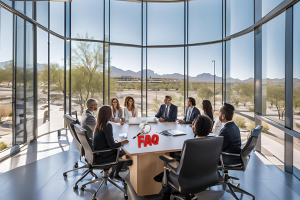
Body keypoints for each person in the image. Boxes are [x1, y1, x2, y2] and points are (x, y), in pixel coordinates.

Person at [159, 115, 213, 200]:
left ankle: (165, 197)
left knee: (167, 169)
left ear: (193, 128)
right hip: (206, 179)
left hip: (187, 179)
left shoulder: (190, 144)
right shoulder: (213, 142)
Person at [93, 105, 130, 180]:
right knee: (124, 154)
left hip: (98, 154)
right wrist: (121, 142)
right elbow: (112, 145)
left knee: (120, 151)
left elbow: (104, 140)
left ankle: (113, 173)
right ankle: (114, 174)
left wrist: (115, 141)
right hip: (104, 155)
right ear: (108, 114)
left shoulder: (98, 125)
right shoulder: (107, 126)